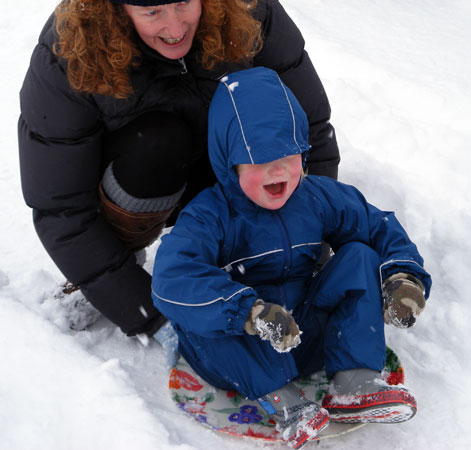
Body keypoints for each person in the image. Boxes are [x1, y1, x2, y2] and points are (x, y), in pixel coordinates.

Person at [17, 0, 340, 353]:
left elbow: (308, 128)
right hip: (141, 180)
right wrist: (150, 313)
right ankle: (113, 261)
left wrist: (309, 244)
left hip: (230, 175)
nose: (174, 29)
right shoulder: (69, 48)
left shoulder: (248, 9)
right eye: (152, 12)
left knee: (259, 113)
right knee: (157, 142)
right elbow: (62, 208)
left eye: (184, 3)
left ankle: (246, 252)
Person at [151, 67, 432, 448]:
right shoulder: (211, 215)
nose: (278, 169)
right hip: (244, 348)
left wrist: (403, 276)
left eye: (288, 154)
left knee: (360, 256)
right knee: (200, 319)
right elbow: (172, 277)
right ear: (229, 163)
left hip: (302, 335)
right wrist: (248, 313)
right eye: (258, 160)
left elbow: (375, 225)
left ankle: (352, 381)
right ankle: (284, 405)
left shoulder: (317, 197)